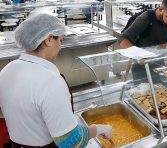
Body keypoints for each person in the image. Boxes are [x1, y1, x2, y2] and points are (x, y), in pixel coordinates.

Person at [0, 14, 112, 147]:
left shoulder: (7, 70)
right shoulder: (50, 82)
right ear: (48, 40)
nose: (60, 46)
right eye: (60, 40)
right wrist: (97, 129)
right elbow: (71, 142)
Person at [119, 0, 167, 80]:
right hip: (141, 66)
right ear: (161, 9)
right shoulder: (146, 18)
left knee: (161, 90)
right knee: (143, 91)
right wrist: (138, 57)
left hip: (159, 62)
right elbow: (123, 39)